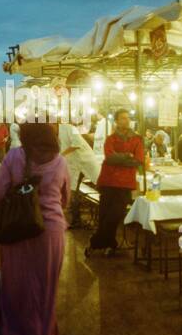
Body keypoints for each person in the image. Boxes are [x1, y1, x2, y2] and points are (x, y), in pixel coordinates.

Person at [0, 122, 69, 335]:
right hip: (51, 232)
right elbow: (65, 198)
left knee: (17, 289)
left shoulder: (14, 156)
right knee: (45, 290)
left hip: (17, 231)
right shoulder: (60, 161)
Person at [87, 109, 144, 258]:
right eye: (123, 118)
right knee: (104, 214)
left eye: (128, 118)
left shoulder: (137, 139)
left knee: (116, 214)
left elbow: (138, 160)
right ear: (117, 121)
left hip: (125, 184)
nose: (126, 120)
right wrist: (127, 156)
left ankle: (96, 242)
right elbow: (109, 157)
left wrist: (120, 158)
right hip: (108, 181)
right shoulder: (110, 139)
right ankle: (110, 244)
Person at [58, 121, 99, 228]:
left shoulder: (70, 128)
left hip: (86, 161)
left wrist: (61, 155)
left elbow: (76, 144)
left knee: (99, 186)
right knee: (72, 191)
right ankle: (76, 220)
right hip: (73, 166)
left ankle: (101, 218)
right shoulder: (54, 134)